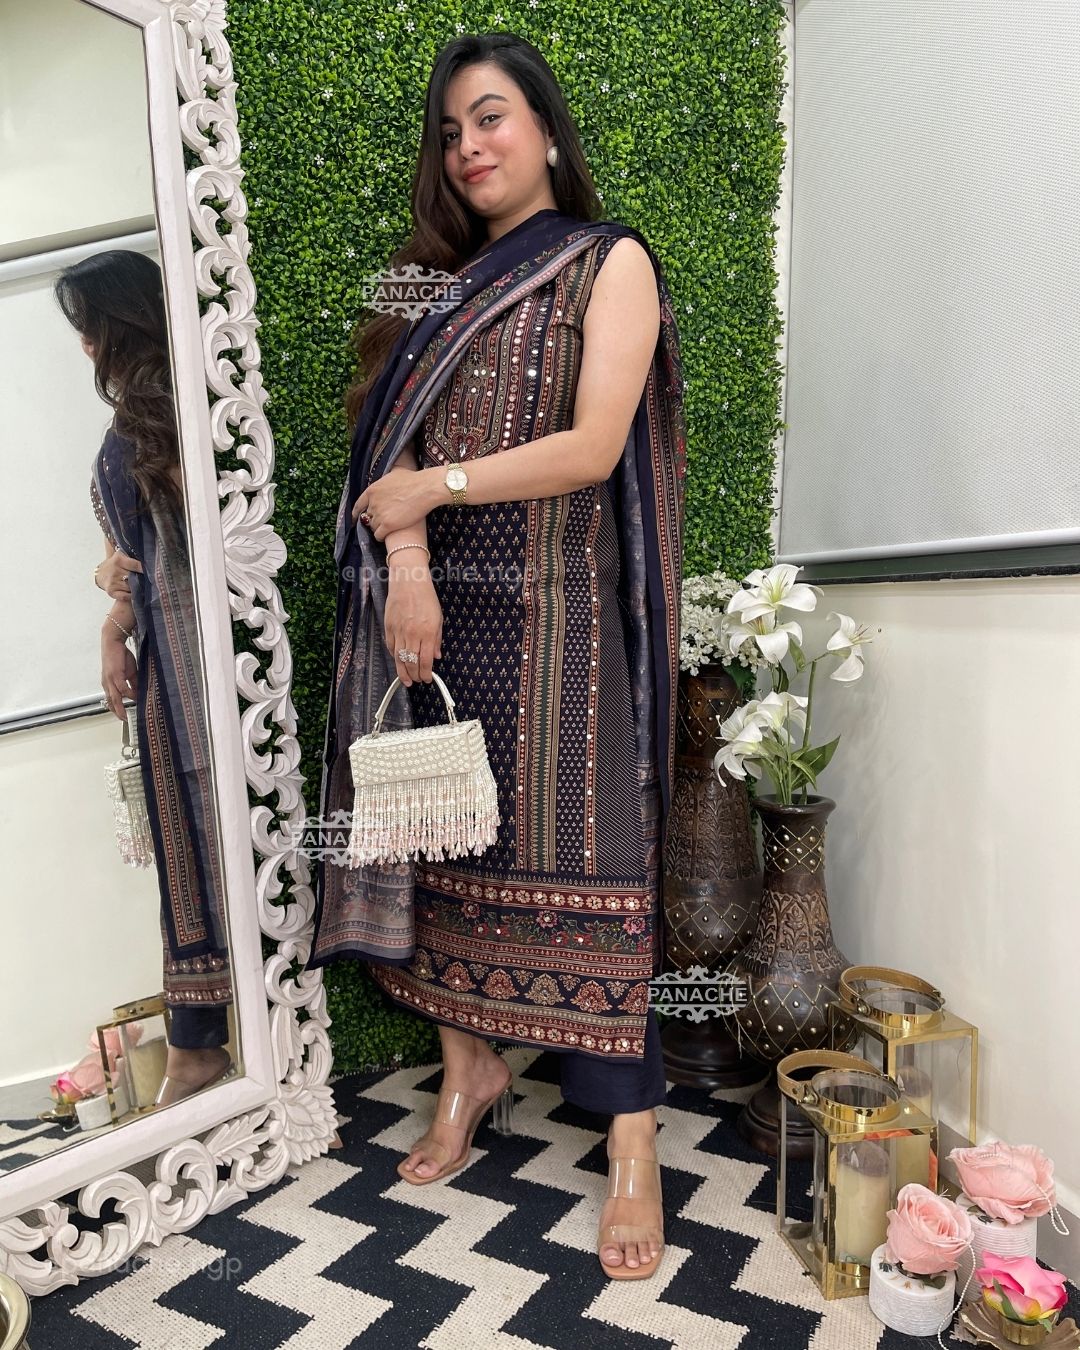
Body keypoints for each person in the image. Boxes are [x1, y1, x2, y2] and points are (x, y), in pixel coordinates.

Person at [307, 34, 686, 1279]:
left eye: (491, 118)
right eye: (451, 131)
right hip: (433, 613)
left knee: (593, 856)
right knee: (446, 843)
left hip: (563, 618)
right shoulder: (427, 285)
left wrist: (434, 487)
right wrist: (411, 557)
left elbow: (592, 448)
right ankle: (469, 1071)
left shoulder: (608, 259)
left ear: (548, 131)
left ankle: (630, 1140)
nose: (468, 147)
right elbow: (386, 464)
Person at [55, 249, 235, 1108]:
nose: (85, 346)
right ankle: (199, 1048)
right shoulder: (131, 426)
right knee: (185, 853)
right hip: (168, 671)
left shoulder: (187, 412)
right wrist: (111, 622)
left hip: (218, 671)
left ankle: (211, 1051)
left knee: (223, 841)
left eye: (89, 326)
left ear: (121, 322)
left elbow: (209, 550)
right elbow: (128, 564)